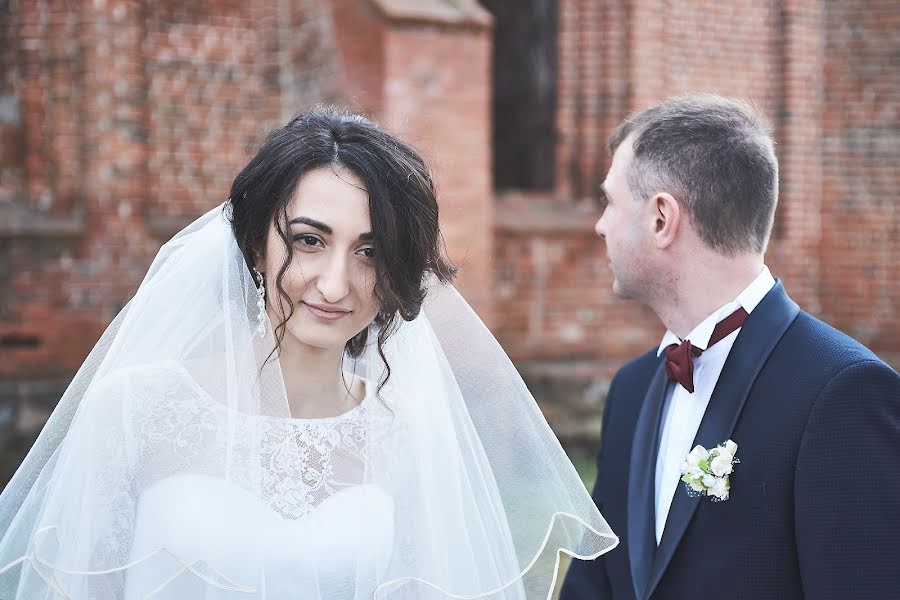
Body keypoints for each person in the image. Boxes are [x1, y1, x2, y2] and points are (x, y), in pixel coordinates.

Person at [0, 108, 617, 599]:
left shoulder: (407, 436)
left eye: (370, 252)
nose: (334, 283)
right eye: (309, 240)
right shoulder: (135, 410)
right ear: (253, 241)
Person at [560, 94, 900, 600]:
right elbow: (597, 584)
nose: (600, 224)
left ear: (661, 219)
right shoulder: (631, 390)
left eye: (609, 201)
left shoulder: (841, 392)